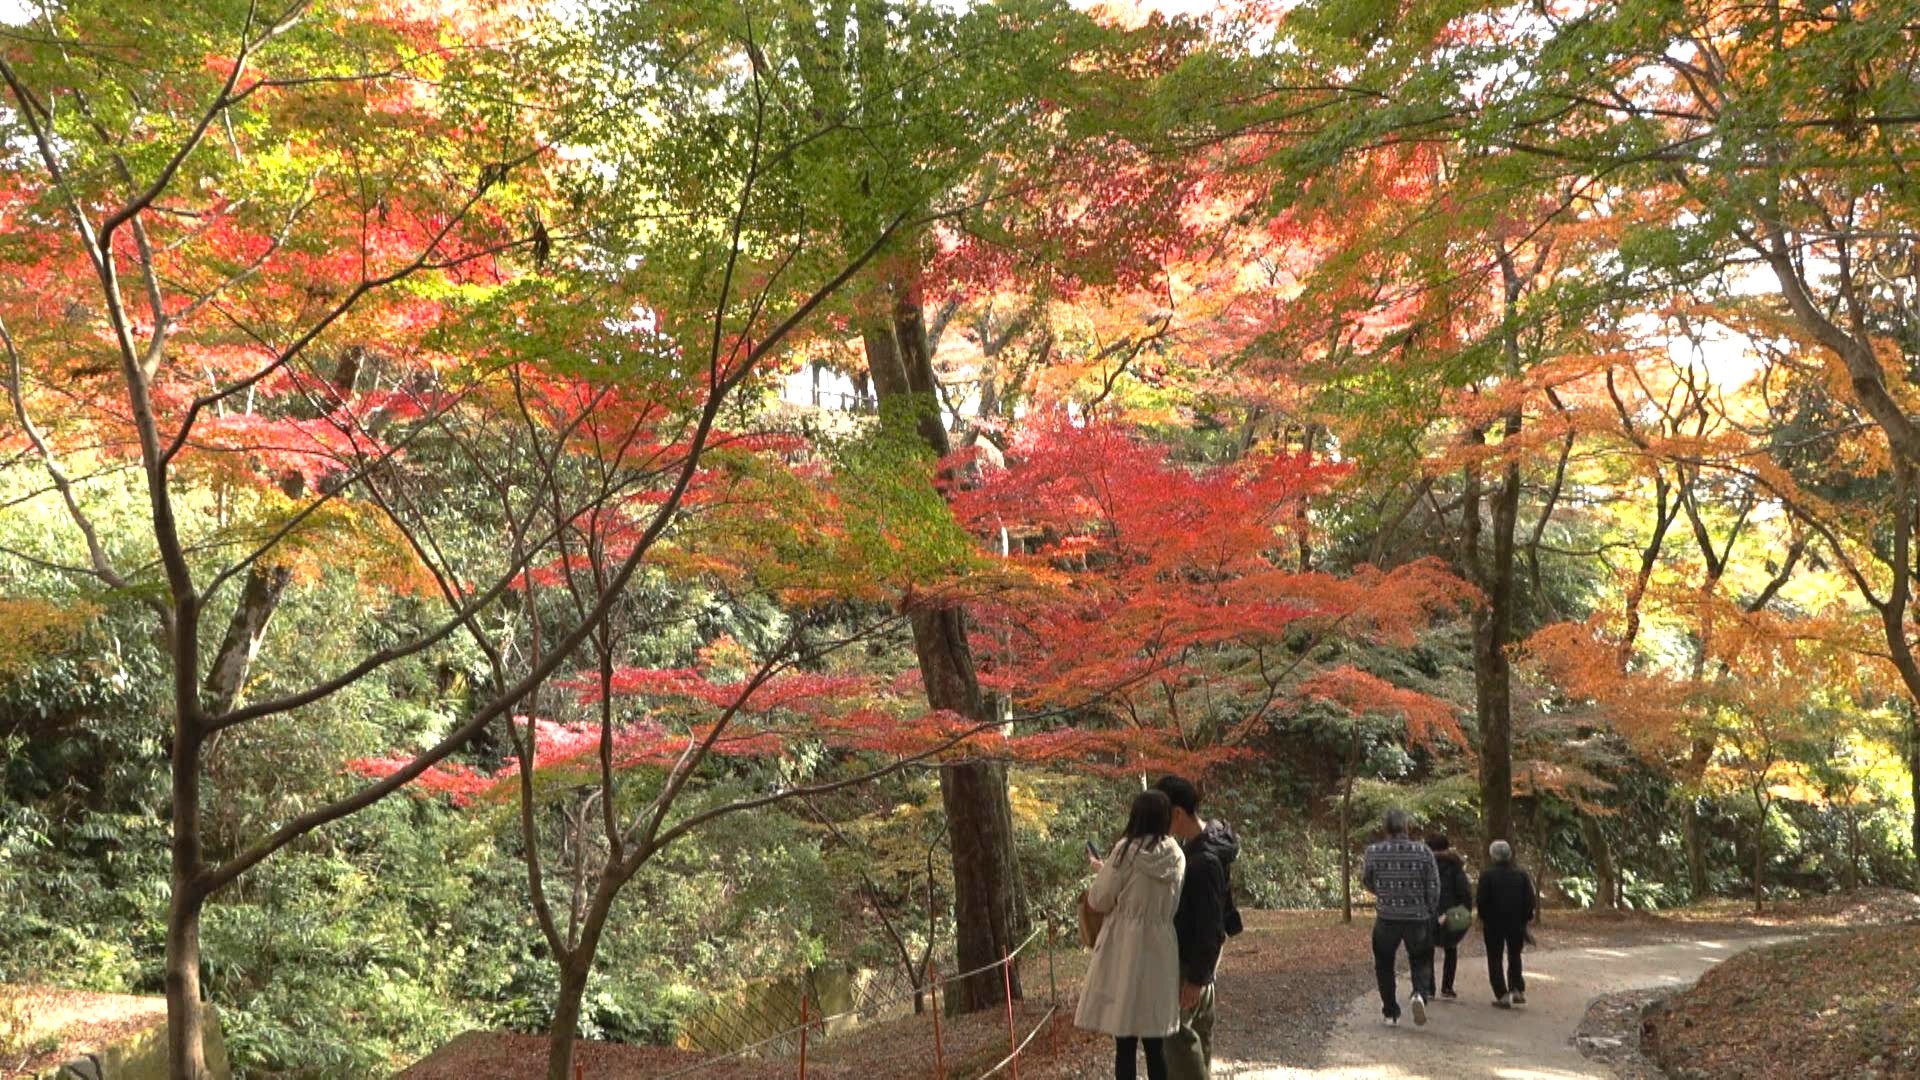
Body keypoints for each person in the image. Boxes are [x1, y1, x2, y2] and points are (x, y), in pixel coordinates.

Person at [1075, 789, 1187, 1080]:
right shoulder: (1176, 855)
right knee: (1155, 1042)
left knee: (1124, 1043)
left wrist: (1102, 870)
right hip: (1161, 946)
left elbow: (1099, 899)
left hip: (1125, 947)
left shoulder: (1124, 851)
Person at [1153, 775, 1240, 1080]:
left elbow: (1209, 924)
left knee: (1176, 1039)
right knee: (1198, 1041)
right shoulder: (1210, 843)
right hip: (1202, 965)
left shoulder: (1202, 862)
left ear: (1176, 813)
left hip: (1193, 964)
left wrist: (1195, 978)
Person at [1361, 808, 1440, 1025]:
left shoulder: (1373, 852)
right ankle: (1419, 994)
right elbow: (1433, 886)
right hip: (1417, 917)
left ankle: (1390, 1012)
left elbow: (1367, 880)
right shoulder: (1423, 852)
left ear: (1385, 828)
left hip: (1387, 917)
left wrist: (1384, 893)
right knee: (1421, 958)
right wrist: (1429, 910)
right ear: (1407, 827)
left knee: (1384, 963)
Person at [1475, 839, 1537, 1008]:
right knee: (1514, 955)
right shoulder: (1521, 875)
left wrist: (1484, 918)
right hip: (1516, 922)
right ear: (1509, 855)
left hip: (1493, 923)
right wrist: (1525, 918)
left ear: (1493, 856)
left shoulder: (1487, 875)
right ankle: (1517, 989)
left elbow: (1481, 901)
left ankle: (1502, 994)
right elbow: (1530, 900)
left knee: (1494, 957)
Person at [1427, 834, 1473, 999]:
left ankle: (1428, 987)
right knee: (1451, 949)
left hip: (1428, 914)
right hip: (1451, 913)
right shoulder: (1455, 867)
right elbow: (1465, 896)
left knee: (1427, 950)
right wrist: (1455, 913)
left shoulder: (1425, 866)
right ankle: (1447, 987)